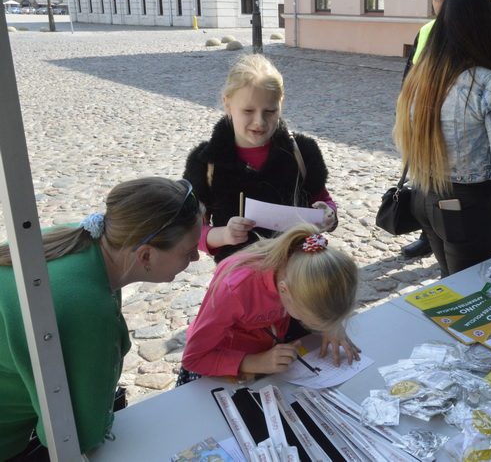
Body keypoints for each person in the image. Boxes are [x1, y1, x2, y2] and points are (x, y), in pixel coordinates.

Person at [0, 177, 202, 459]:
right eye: (188, 250)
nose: (196, 257)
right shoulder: (88, 305)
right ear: (146, 255)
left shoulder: (78, 236)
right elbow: (78, 433)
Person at [394, 0, 491, 278]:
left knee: (451, 283)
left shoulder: (420, 77)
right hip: (466, 208)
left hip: (423, 197)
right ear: (488, 28)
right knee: (470, 294)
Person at [184, 54, 338, 263]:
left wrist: (328, 214)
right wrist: (224, 235)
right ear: (227, 104)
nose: (260, 121)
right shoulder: (206, 163)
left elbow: (323, 200)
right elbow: (193, 230)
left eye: (270, 111)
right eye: (248, 110)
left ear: (280, 104)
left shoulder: (302, 153)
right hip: (238, 276)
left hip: (295, 273)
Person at [178, 223, 359, 384]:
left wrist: (330, 326)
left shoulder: (300, 268)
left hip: (268, 349)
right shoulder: (234, 289)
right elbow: (193, 359)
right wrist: (254, 362)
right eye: (307, 319)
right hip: (223, 366)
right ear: (284, 290)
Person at [399, 0, 463, 259]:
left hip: (452, 125)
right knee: (422, 184)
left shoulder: (468, 33)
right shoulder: (425, 31)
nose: (443, 4)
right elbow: (409, 74)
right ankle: (427, 236)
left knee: (447, 187)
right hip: (422, 122)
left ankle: (449, 239)